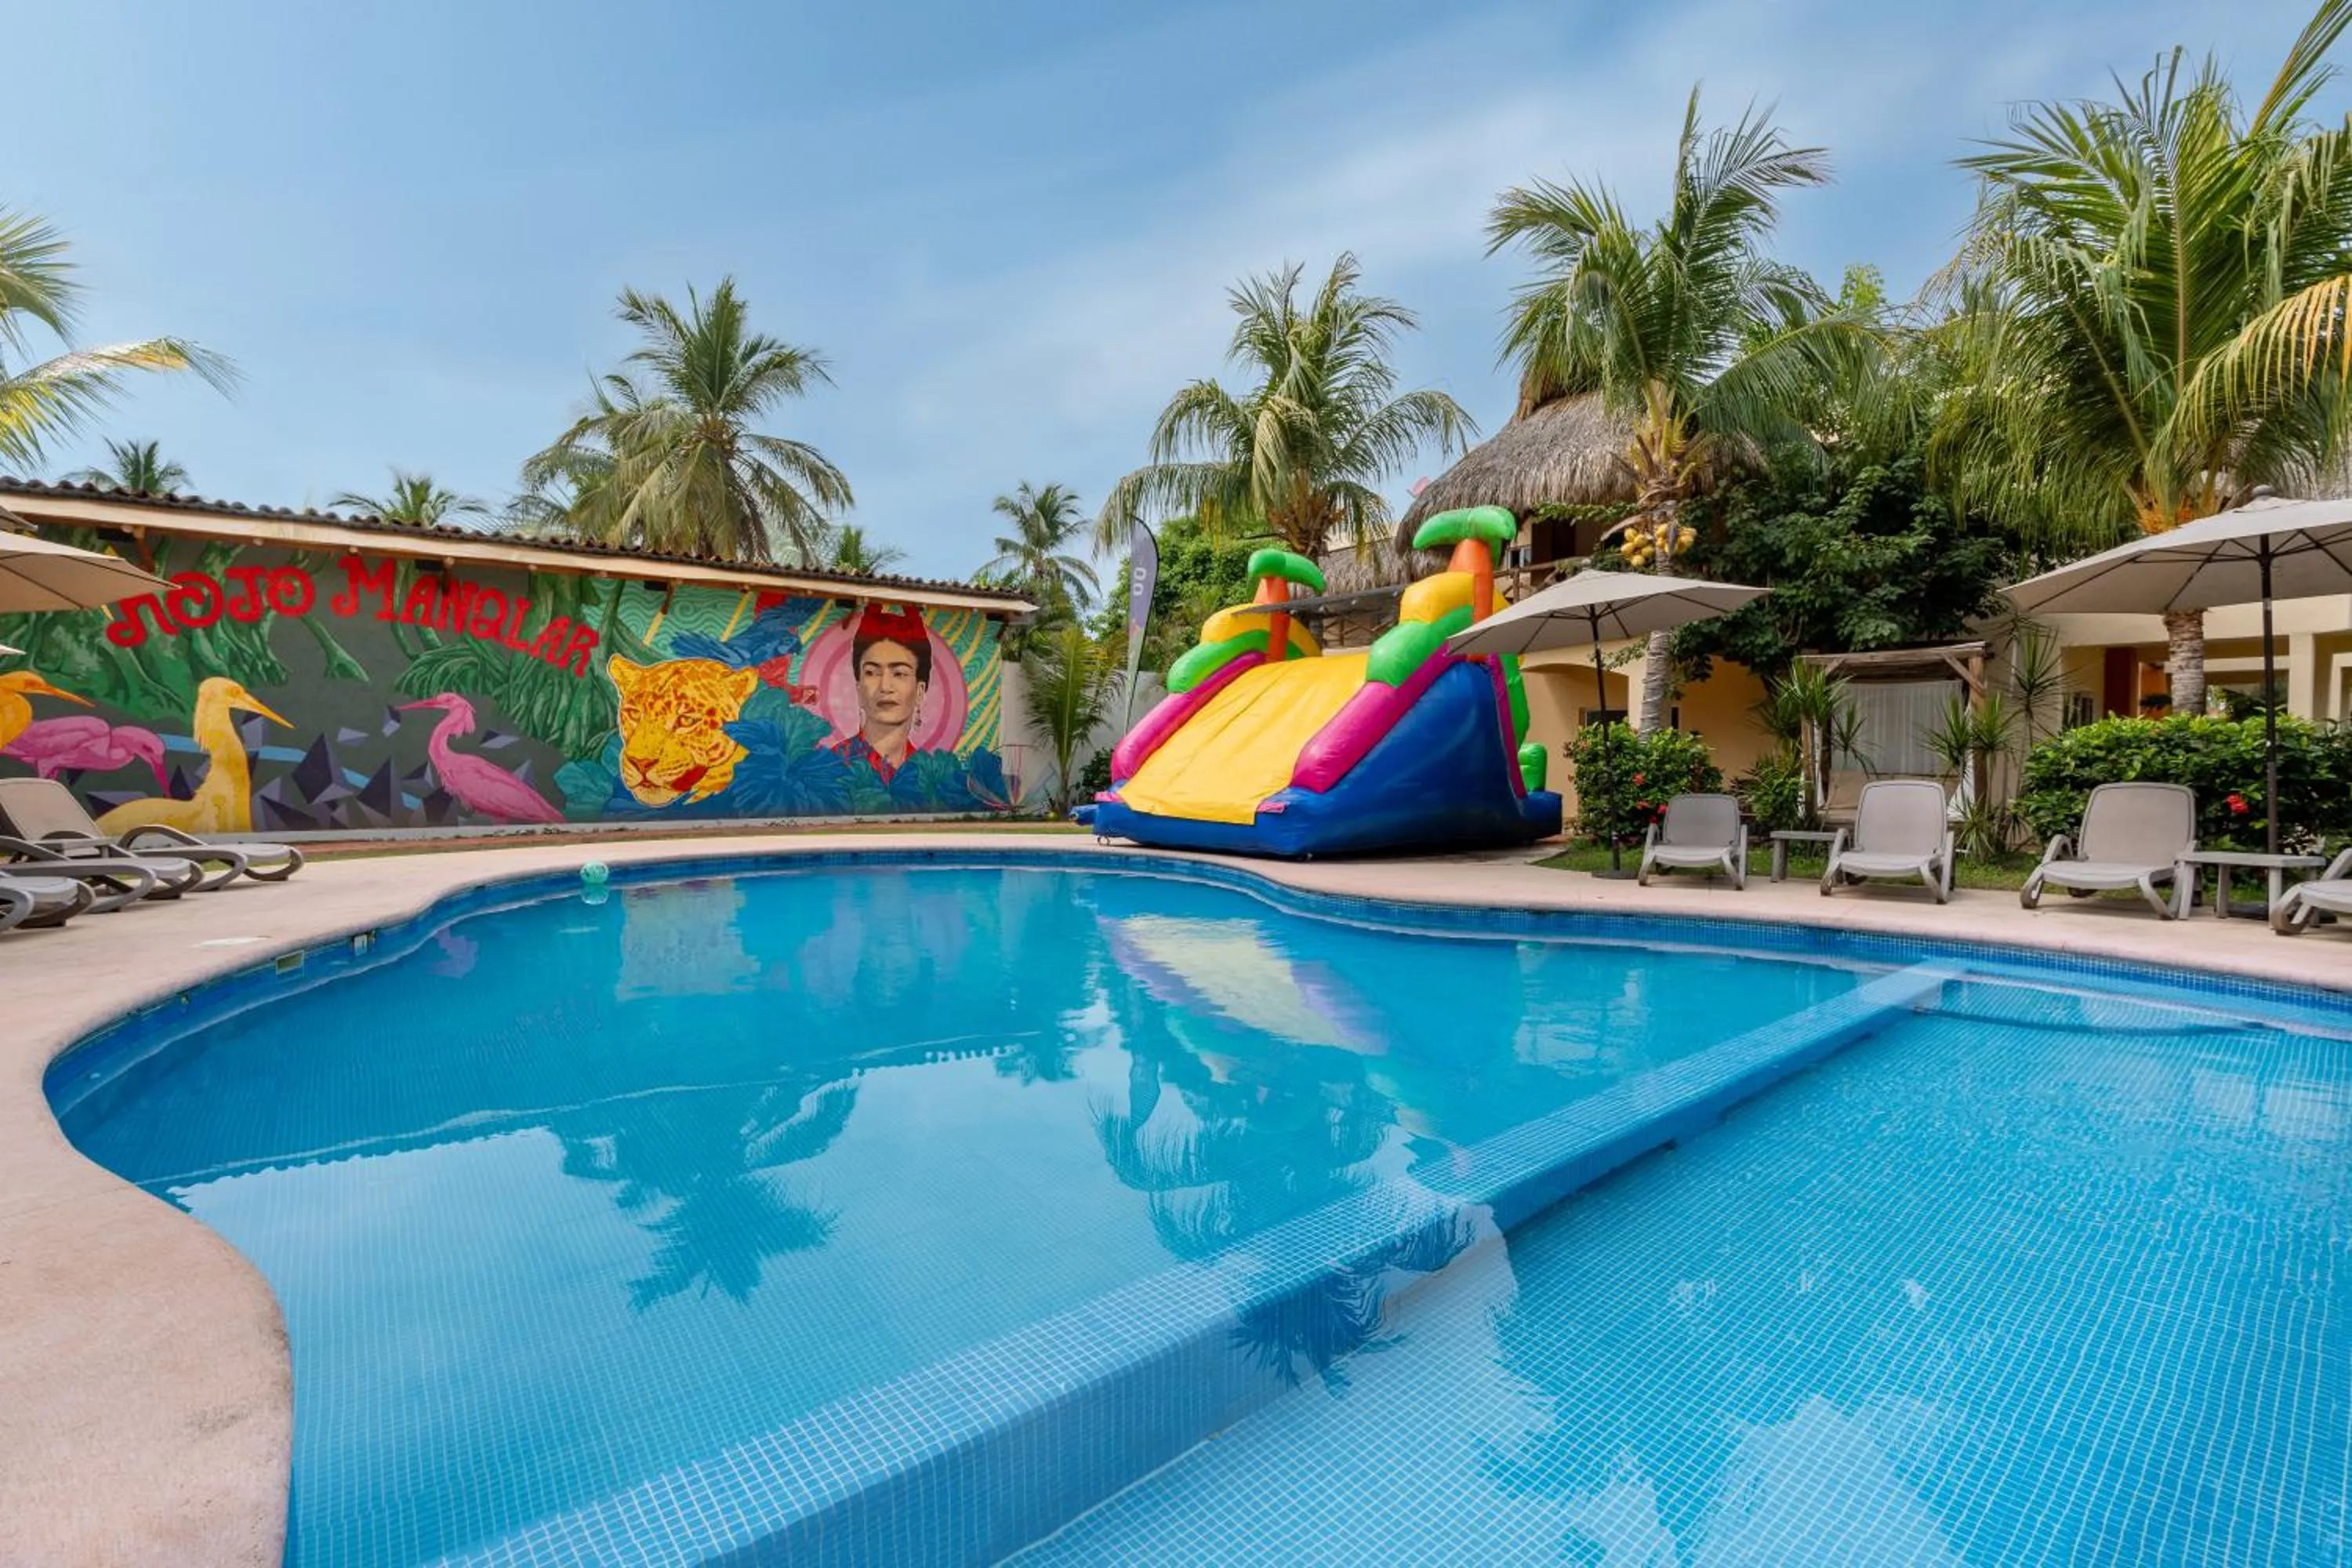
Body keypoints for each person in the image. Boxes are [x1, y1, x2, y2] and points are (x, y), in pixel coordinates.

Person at [828, 604, 931, 782]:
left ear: (920, 691)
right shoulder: (833, 765)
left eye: (899, 673)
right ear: (859, 689)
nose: (885, 686)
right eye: (872, 672)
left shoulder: (928, 772)